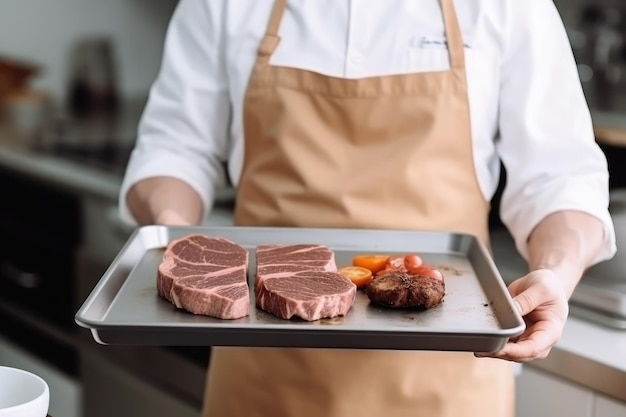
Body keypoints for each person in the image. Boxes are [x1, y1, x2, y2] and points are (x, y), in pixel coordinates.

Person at [118, 0, 617, 416]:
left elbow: (560, 176)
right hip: (264, 367)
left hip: (448, 375)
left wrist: (556, 271)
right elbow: (175, 147)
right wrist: (178, 237)